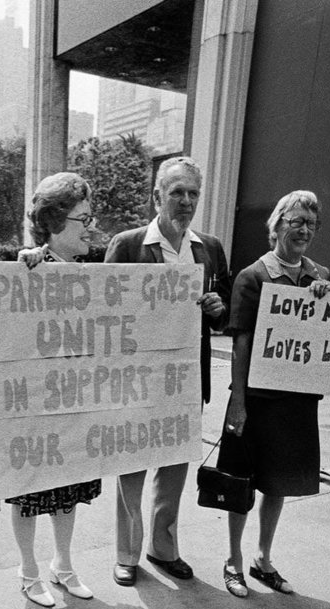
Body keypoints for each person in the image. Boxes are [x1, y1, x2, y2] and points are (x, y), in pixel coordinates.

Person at [105, 156, 231, 586]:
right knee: (131, 467)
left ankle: (164, 547)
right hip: (137, 380)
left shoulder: (209, 248)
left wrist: (218, 310)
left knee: (175, 467)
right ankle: (127, 553)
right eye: (176, 192)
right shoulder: (128, 244)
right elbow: (103, 312)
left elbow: (224, 311)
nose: (186, 201)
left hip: (186, 380)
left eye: (193, 193)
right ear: (156, 196)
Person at [220, 190, 330, 598]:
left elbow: (324, 335)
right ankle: (233, 559)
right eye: (296, 221)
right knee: (242, 482)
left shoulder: (317, 275)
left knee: (279, 482)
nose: (303, 230)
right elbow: (241, 343)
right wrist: (238, 402)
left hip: (295, 401)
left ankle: (262, 559)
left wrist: (325, 299)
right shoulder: (253, 277)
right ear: (277, 226)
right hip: (257, 400)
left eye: (310, 223)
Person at [10, 171, 102, 607]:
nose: (92, 227)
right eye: (83, 219)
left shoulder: (93, 276)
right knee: (28, 489)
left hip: (75, 400)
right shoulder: (28, 268)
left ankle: (62, 565)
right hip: (33, 405)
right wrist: (27, 263)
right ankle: (29, 572)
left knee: (68, 490)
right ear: (52, 220)